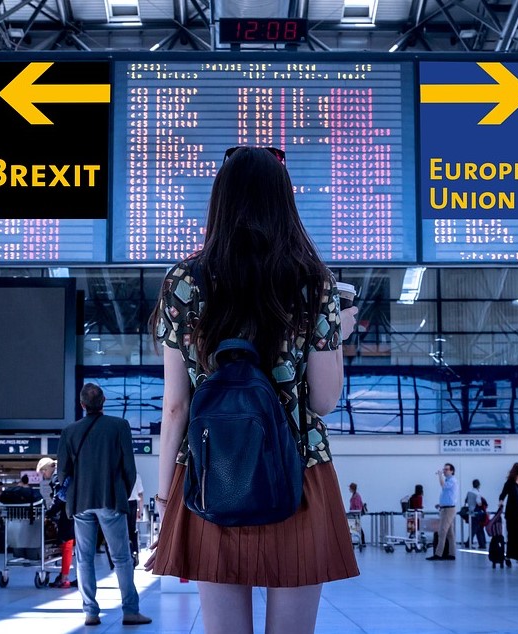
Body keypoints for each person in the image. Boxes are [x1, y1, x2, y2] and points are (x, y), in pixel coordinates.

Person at [147, 146, 359, 634]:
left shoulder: (184, 280)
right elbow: (324, 401)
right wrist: (334, 337)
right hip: (298, 472)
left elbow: (176, 404)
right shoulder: (314, 282)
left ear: (220, 201)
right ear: (284, 201)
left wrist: (164, 496)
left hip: (209, 471)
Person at [58, 383, 150, 627]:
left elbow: (61, 472)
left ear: (82, 404)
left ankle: (90, 612)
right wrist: (121, 492)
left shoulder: (69, 431)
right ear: (104, 401)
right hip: (111, 499)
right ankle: (130, 611)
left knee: (84, 558)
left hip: (80, 503)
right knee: (121, 558)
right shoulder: (119, 426)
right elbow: (129, 468)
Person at [36, 457, 76, 589]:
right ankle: (68, 576)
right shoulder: (65, 471)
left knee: (66, 544)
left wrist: (49, 513)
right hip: (76, 510)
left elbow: (59, 497)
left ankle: (64, 578)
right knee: (72, 545)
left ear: (47, 468)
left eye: (42, 472)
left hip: (68, 512)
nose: (43, 476)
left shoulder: (57, 476)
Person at [427, 463, 459, 561]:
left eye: (446, 469)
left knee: (442, 531)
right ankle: (452, 554)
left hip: (448, 510)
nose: (444, 471)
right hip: (446, 508)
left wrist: (440, 475)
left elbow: (443, 486)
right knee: (450, 534)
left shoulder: (452, 480)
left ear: (452, 471)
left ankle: (438, 554)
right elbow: (449, 496)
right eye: (444, 469)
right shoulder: (449, 481)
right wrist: (440, 504)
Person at [127, 473, 144, 567]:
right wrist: (139, 511)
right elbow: (140, 495)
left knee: (122, 532)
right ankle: (134, 553)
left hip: (120, 504)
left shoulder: (116, 472)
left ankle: (125, 555)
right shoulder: (136, 475)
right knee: (132, 531)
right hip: (132, 505)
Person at [464, 479, 487, 549]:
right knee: (475, 529)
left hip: (470, 511)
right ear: (479, 485)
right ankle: (469, 543)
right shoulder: (477, 493)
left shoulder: (469, 492)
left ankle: (482, 544)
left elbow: (466, 501)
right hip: (476, 513)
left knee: (477, 528)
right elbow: (479, 503)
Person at [348, 482, 366, 547]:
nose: (349, 489)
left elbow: (358, 506)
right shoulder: (354, 495)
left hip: (356, 514)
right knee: (355, 527)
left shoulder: (357, 496)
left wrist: (355, 512)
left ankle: (362, 541)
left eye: (350, 488)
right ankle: (359, 541)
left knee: (357, 527)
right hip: (353, 514)